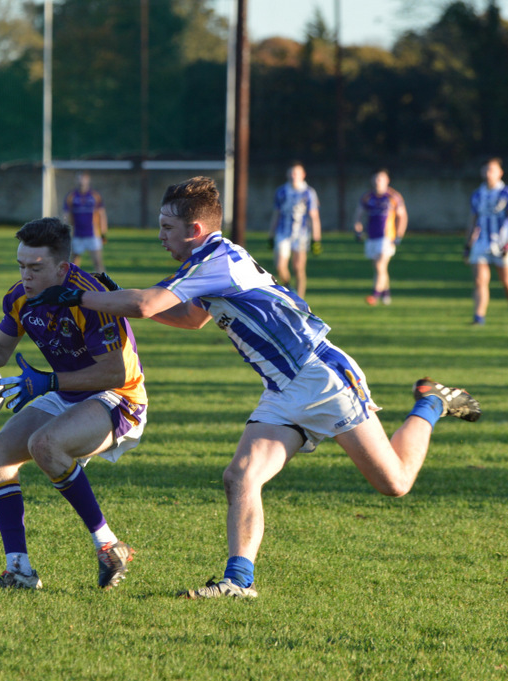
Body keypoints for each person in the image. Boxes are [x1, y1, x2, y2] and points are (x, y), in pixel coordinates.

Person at [28, 177, 481, 600]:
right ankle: (237, 582)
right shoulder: (205, 262)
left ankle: (430, 402)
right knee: (240, 476)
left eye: (167, 227)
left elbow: (147, 304)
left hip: (322, 378)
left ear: (196, 228)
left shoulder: (216, 260)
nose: (160, 235)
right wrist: (118, 300)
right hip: (283, 388)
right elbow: (189, 317)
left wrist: (81, 296)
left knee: (395, 483)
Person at [0, 217, 147, 591]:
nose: (26, 276)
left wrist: (47, 382)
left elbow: (114, 374)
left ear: (62, 267)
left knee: (44, 444)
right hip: (65, 391)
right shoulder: (20, 297)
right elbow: (1, 349)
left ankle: (107, 545)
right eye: (21, 266)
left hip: (118, 398)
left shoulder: (92, 299)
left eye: (35, 268)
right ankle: (18, 569)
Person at [464, 158, 508, 325]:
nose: (488, 173)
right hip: (481, 243)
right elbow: (473, 220)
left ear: (500, 173)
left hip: (502, 244)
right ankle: (478, 317)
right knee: (480, 281)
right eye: (486, 170)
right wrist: (468, 244)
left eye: (492, 170)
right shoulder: (477, 194)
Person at [267, 162, 322, 298]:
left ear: (303, 175)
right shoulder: (281, 191)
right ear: (287, 174)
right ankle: (289, 287)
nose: (293, 176)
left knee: (298, 268)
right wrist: (271, 234)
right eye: (291, 173)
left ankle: (300, 300)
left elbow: (314, 217)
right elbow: (276, 214)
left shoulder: (308, 192)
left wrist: (316, 239)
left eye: (296, 173)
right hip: (283, 232)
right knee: (280, 266)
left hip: (301, 234)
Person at [353, 169, 407, 305]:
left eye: (381, 179)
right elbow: (358, 214)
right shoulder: (367, 197)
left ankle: (375, 295)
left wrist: (399, 235)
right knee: (380, 268)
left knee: (380, 265)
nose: (378, 182)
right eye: (376, 179)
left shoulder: (393, 197)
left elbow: (403, 216)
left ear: (387, 180)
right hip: (372, 237)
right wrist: (358, 229)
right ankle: (386, 293)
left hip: (387, 237)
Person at [62, 172, 108, 272]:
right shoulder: (71, 196)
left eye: (83, 179)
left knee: (97, 262)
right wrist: (65, 231)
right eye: (79, 179)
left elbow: (101, 214)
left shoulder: (95, 196)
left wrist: (103, 232)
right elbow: (66, 214)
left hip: (93, 234)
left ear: (88, 180)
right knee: (73, 263)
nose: (81, 182)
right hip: (77, 234)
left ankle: (104, 285)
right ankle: (71, 284)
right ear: (76, 180)